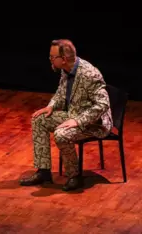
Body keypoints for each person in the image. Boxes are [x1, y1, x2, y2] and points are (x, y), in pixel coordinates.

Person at [19, 39, 113, 191]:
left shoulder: (89, 74)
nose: (50, 59)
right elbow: (61, 92)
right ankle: (43, 171)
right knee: (39, 119)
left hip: (94, 123)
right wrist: (51, 106)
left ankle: (74, 176)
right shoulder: (66, 69)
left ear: (63, 59)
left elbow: (103, 104)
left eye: (52, 57)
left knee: (61, 134)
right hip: (73, 114)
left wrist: (77, 120)